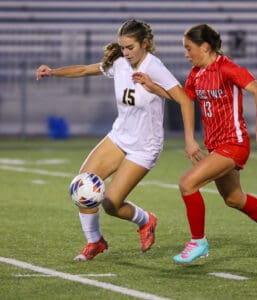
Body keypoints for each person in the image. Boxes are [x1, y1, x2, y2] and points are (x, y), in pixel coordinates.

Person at [36, 19, 196, 261]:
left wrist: (189, 140)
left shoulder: (155, 67)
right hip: (119, 136)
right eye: (122, 47)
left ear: (145, 44)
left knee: (111, 203)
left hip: (145, 146)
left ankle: (145, 220)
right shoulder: (120, 64)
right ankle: (95, 241)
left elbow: (184, 99)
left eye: (130, 47)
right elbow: (83, 70)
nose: (125, 53)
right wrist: (53, 72)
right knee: (82, 185)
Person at [134, 24, 257, 263]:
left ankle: (198, 242)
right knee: (234, 198)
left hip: (234, 143)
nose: (186, 54)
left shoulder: (227, 68)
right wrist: (153, 87)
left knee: (188, 183)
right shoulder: (196, 74)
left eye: (189, 48)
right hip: (216, 146)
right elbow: (184, 99)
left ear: (205, 47)